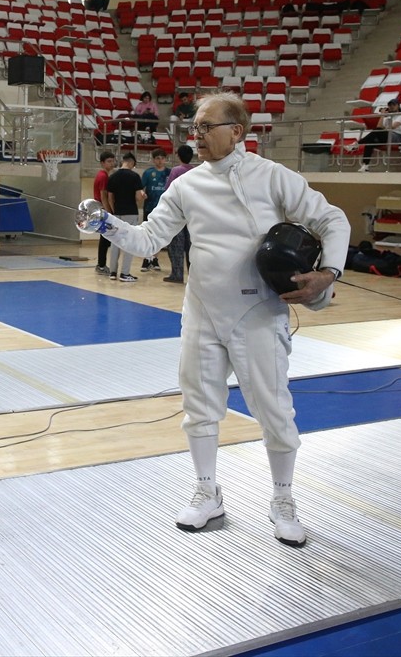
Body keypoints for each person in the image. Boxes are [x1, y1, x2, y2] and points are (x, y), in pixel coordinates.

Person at [81, 92, 349, 547]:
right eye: (195, 128)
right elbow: (148, 240)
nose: (197, 135)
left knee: (275, 411)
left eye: (206, 127)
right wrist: (104, 224)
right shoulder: (186, 185)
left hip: (258, 313)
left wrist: (327, 274)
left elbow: (333, 220)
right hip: (203, 311)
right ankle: (208, 492)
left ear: (236, 131)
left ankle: (283, 500)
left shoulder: (272, 177)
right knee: (199, 407)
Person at [103, 152, 144, 283]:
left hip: (117, 213)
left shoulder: (113, 176)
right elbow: (138, 196)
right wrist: (142, 197)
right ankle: (125, 273)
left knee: (115, 242)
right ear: (131, 162)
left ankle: (113, 272)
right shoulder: (135, 176)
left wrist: (114, 211)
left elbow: (110, 197)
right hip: (130, 212)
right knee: (129, 242)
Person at [162, 145, 194, 284]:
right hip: (191, 213)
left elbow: (168, 190)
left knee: (176, 245)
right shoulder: (195, 171)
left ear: (178, 156)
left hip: (178, 212)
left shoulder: (176, 171)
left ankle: (177, 274)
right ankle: (193, 273)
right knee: (191, 246)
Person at [353, 99, 401, 172]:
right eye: (390, 105)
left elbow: (392, 127)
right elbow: (379, 126)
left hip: (397, 136)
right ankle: (365, 166)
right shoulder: (387, 117)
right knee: (370, 142)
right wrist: (382, 115)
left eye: (394, 105)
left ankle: (357, 144)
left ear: (398, 106)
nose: (392, 106)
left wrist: (383, 128)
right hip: (386, 135)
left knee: (378, 131)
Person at [138, 149, 171, 272]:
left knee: (160, 235)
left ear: (165, 159)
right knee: (148, 234)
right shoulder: (148, 173)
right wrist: (142, 193)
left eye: (162, 158)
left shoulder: (169, 173)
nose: (160, 161)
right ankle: (146, 259)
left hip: (164, 209)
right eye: (157, 158)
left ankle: (155, 259)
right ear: (153, 160)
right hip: (149, 207)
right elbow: (140, 188)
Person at [93, 150, 116, 276]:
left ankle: (101, 264)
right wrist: (109, 212)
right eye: (109, 161)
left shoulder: (104, 175)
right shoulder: (103, 176)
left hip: (101, 209)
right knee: (104, 239)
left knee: (105, 239)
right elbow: (103, 196)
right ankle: (101, 265)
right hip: (102, 209)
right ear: (102, 163)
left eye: (113, 161)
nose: (111, 163)